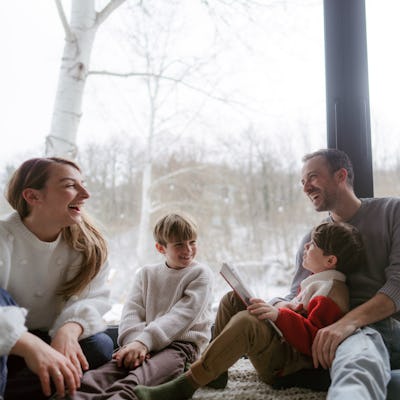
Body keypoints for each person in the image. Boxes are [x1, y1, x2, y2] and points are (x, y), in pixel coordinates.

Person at [132, 220, 366, 400]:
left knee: (247, 322)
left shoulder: (330, 292)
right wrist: (278, 308)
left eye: (313, 245)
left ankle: (185, 385)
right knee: (233, 300)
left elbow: (313, 340)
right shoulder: (318, 281)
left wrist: (278, 314)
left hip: (288, 367)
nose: (306, 246)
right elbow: (299, 314)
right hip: (284, 348)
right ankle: (216, 371)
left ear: (330, 260)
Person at [272, 148, 400, 399]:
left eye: (312, 177)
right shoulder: (312, 239)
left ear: (341, 176)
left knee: (357, 357)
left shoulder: (392, 212)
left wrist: (346, 323)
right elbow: (296, 294)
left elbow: (398, 284)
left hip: (374, 328)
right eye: (302, 181)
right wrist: (273, 306)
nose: (306, 187)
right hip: (325, 331)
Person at [0, 157, 114, 400]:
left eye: (83, 184)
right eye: (70, 185)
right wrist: (30, 345)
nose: (85, 194)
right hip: (7, 342)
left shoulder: (87, 246)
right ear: (32, 196)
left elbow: (93, 298)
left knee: (100, 345)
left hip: (47, 337)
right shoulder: (2, 235)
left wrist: (68, 330)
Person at [67, 212, 214, 399]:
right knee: (100, 375)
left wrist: (144, 342)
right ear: (161, 248)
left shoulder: (201, 274)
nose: (188, 249)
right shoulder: (146, 274)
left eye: (192, 242)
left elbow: (182, 316)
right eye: (179, 244)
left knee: (138, 380)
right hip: (141, 343)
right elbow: (132, 312)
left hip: (180, 346)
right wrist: (135, 345)